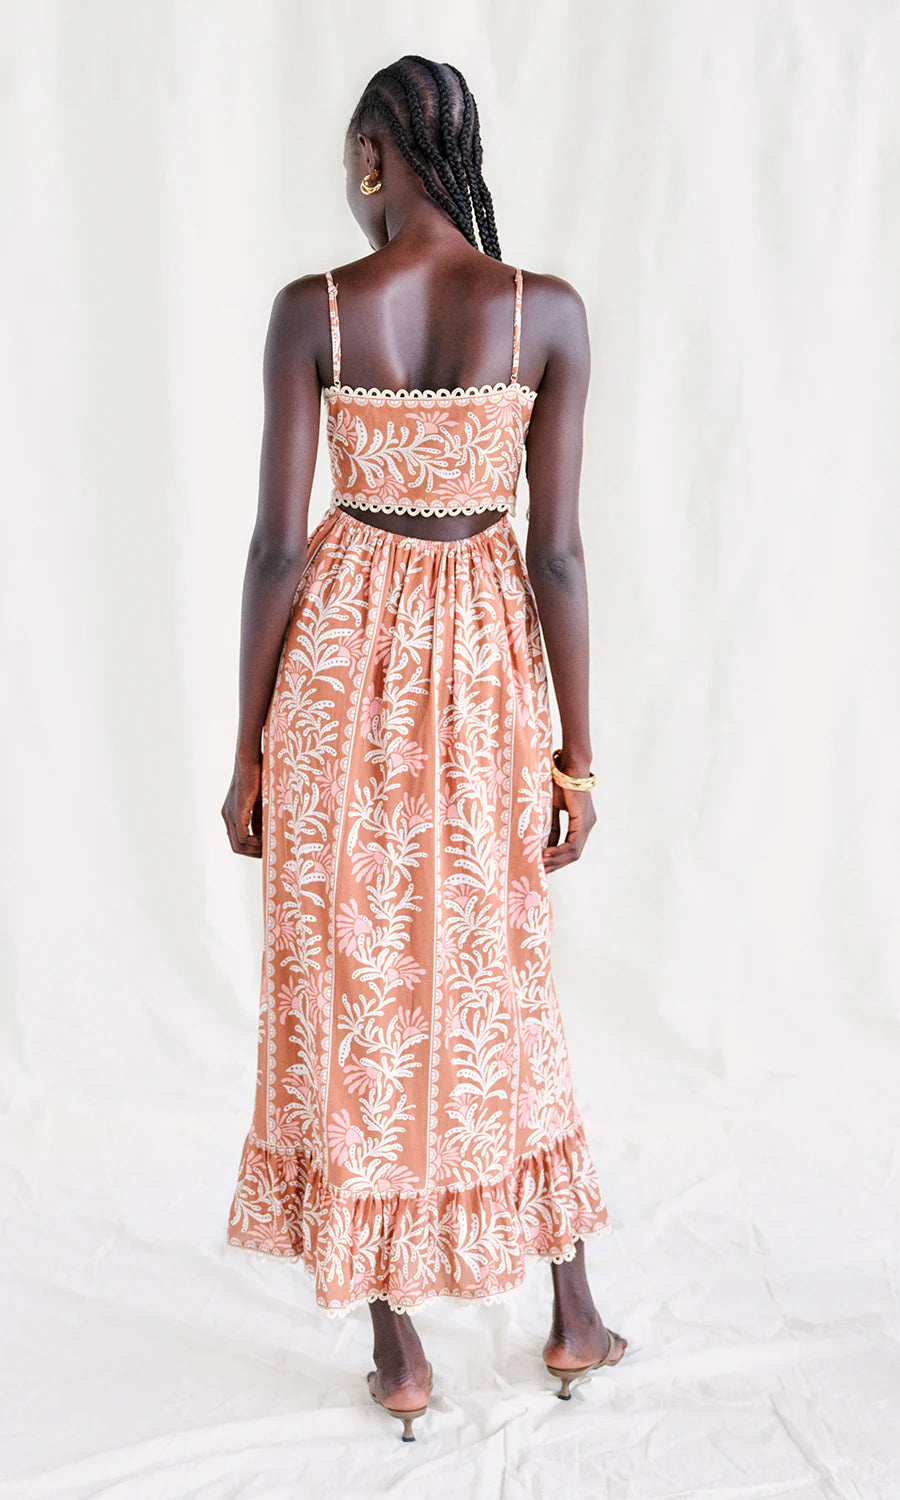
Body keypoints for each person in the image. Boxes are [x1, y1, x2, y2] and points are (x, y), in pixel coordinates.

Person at [221, 54, 627, 1441]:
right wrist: (578, 758)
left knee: (356, 977)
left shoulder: (315, 311)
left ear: (376, 157)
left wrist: (246, 752)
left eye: (357, 162)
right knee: (499, 968)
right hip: (487, 672)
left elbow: (279, 547)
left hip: (337, 671)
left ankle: (399, 1344)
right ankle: (572, 1311)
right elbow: (559, 557)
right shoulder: (545, 314)